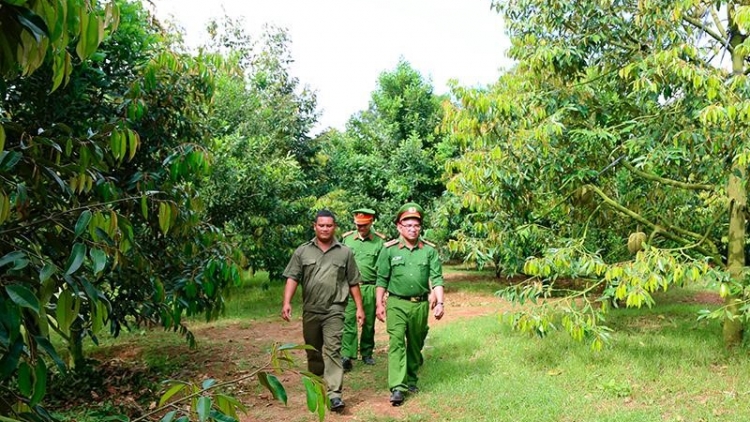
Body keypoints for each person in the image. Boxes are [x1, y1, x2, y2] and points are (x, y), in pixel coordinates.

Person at [281, 209, 365, 412]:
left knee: (333, 349)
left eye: (329, 225)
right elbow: (293, 277)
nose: (325, 229)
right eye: (321, 225)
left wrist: (359, 308)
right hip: (311, 309)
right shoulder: (302, 251)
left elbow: (353, 282)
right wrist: (287, 302)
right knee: (313, 350)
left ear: (334, 227)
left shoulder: (345, 252)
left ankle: (335, 394)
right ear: (315, 226)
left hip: (335, 308)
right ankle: (317, 382)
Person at [375, 202, 445, 406]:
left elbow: (437, 278)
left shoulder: (429, 250)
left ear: (420, 227)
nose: (413, 229)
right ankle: (398, 386)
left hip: (421, 305)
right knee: (396, 342)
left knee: (415, 343)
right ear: (399, 227)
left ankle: (411, 379)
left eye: (416, 225)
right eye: (408, 225)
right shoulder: (388, 250)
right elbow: (382, 279)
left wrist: (440, 302)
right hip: (396, 303)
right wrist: (379, 303)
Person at [341, 208, 386, 371]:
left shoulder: (379, 242)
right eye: (358, 225)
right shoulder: (347, 240)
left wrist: (382, 292)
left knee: (367, 322)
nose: (360, 228)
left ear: (371, 222)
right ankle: (347, 355)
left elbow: (382, 268)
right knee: (348, 320)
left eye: (364, 225)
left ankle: (367, 352)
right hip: (350, 286)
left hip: (369, 287)